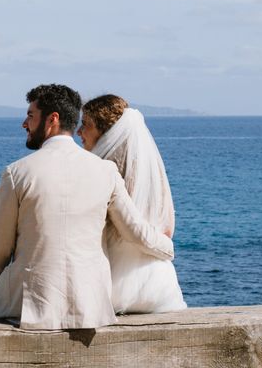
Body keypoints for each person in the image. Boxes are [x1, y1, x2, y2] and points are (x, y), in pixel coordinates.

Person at [0, 84, 175, 329]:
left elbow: (0, 246)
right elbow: (134, 231)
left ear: (52, 119)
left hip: (31, 302)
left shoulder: (16, 173)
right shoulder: (106, 171)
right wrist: (168, 248)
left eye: (30, 115)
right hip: (90, 304)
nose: (24, 124)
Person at [78, 94, 187, 314]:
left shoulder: (105, 172)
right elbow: (166, 225)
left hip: (119, 285)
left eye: (86, 125)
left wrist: (168, 249)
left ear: (106, 133)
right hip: (157, 283)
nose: (79, 132)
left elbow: (132, 230)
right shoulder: (149, 172)